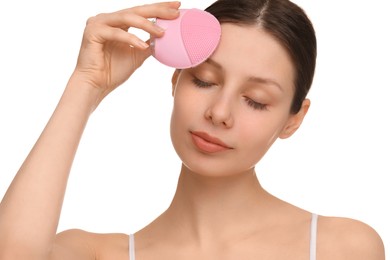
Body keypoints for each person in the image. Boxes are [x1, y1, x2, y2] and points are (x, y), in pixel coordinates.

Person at [0, 0, 385, 259]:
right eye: (203, 81)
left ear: (293, 119)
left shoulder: (341, 247)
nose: (220, 113)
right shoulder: (94, 253)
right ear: (175, 80)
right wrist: (85, 86)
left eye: (255, 99)